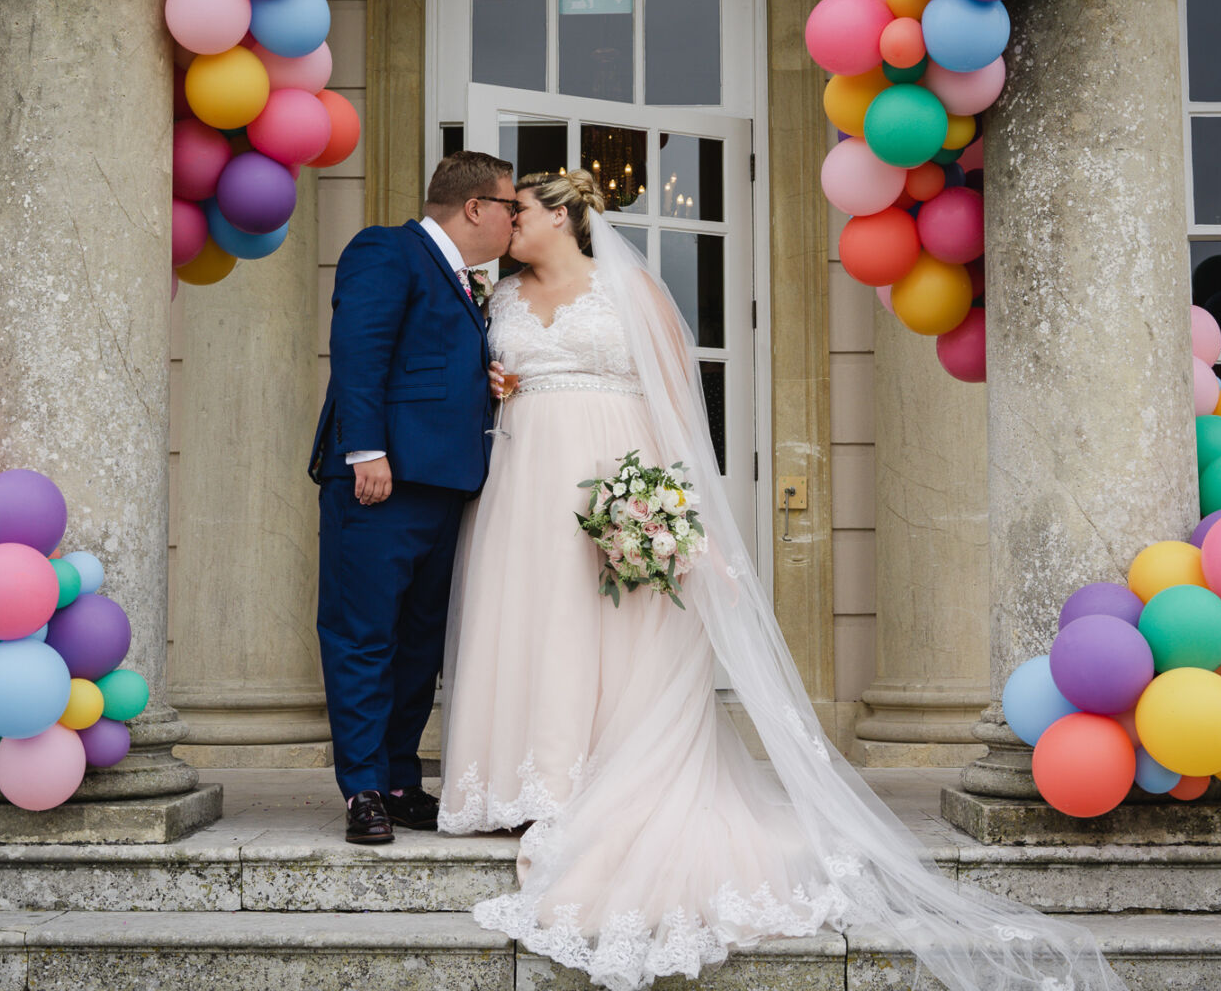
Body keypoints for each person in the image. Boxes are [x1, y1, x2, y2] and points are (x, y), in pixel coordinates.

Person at [439, 169, 1126, 991]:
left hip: (606, 475)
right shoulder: (497, 298)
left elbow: (677, 409)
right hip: (518, 487)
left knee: (606, 628)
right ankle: (523, 779)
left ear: (563, 216)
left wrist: (674, 510)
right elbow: (481, 376)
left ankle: (586, 784)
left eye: (521, 212)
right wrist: (496, 382)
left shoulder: (633, 291)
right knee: (525, 621)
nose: (508, 223)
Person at [308, 150, 515, 845]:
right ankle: (362, 787)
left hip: (446, 481)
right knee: (363, 635)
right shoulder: (385, 249)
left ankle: (400, 780)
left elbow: (426, 361)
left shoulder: (464, 279)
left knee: (418, 644)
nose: (516, 219)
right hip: (381, 480)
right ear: (476, 207)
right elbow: (359, 348)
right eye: (510, 206)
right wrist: (365, 450)